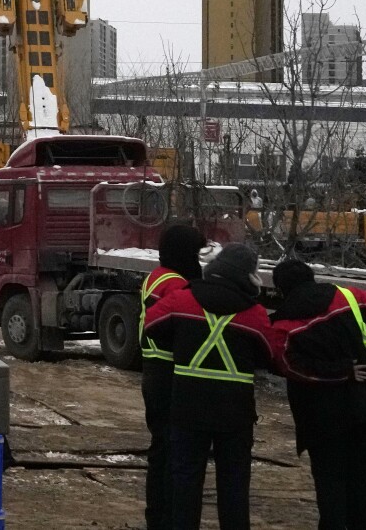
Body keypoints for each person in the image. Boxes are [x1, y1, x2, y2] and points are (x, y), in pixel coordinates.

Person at [144, 243, 279, 530]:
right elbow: (271, 355)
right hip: (235, 414)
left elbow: (151, 325)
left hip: (187, 408)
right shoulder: (253, 314)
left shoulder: (183, 300)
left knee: (185, 485)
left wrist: (180, 343)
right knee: (234, 488)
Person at [270, 258, 366, 530]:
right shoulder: (347, 296)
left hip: (319, 418)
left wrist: (339, 371)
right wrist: (365, 345)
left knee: (330, 485)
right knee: (365, 483)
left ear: (280, 289)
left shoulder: (282, 322)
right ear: (311, 277)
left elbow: (287, 365)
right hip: (364, 409)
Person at [139, 224, 207, 530]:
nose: (198, 260)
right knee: (171, 452)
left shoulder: (158, 276)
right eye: (195, 253)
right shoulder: (177, 285)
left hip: (153, 371)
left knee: (160, 450)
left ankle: (156, 517)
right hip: (169, 374)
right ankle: (164, 518)